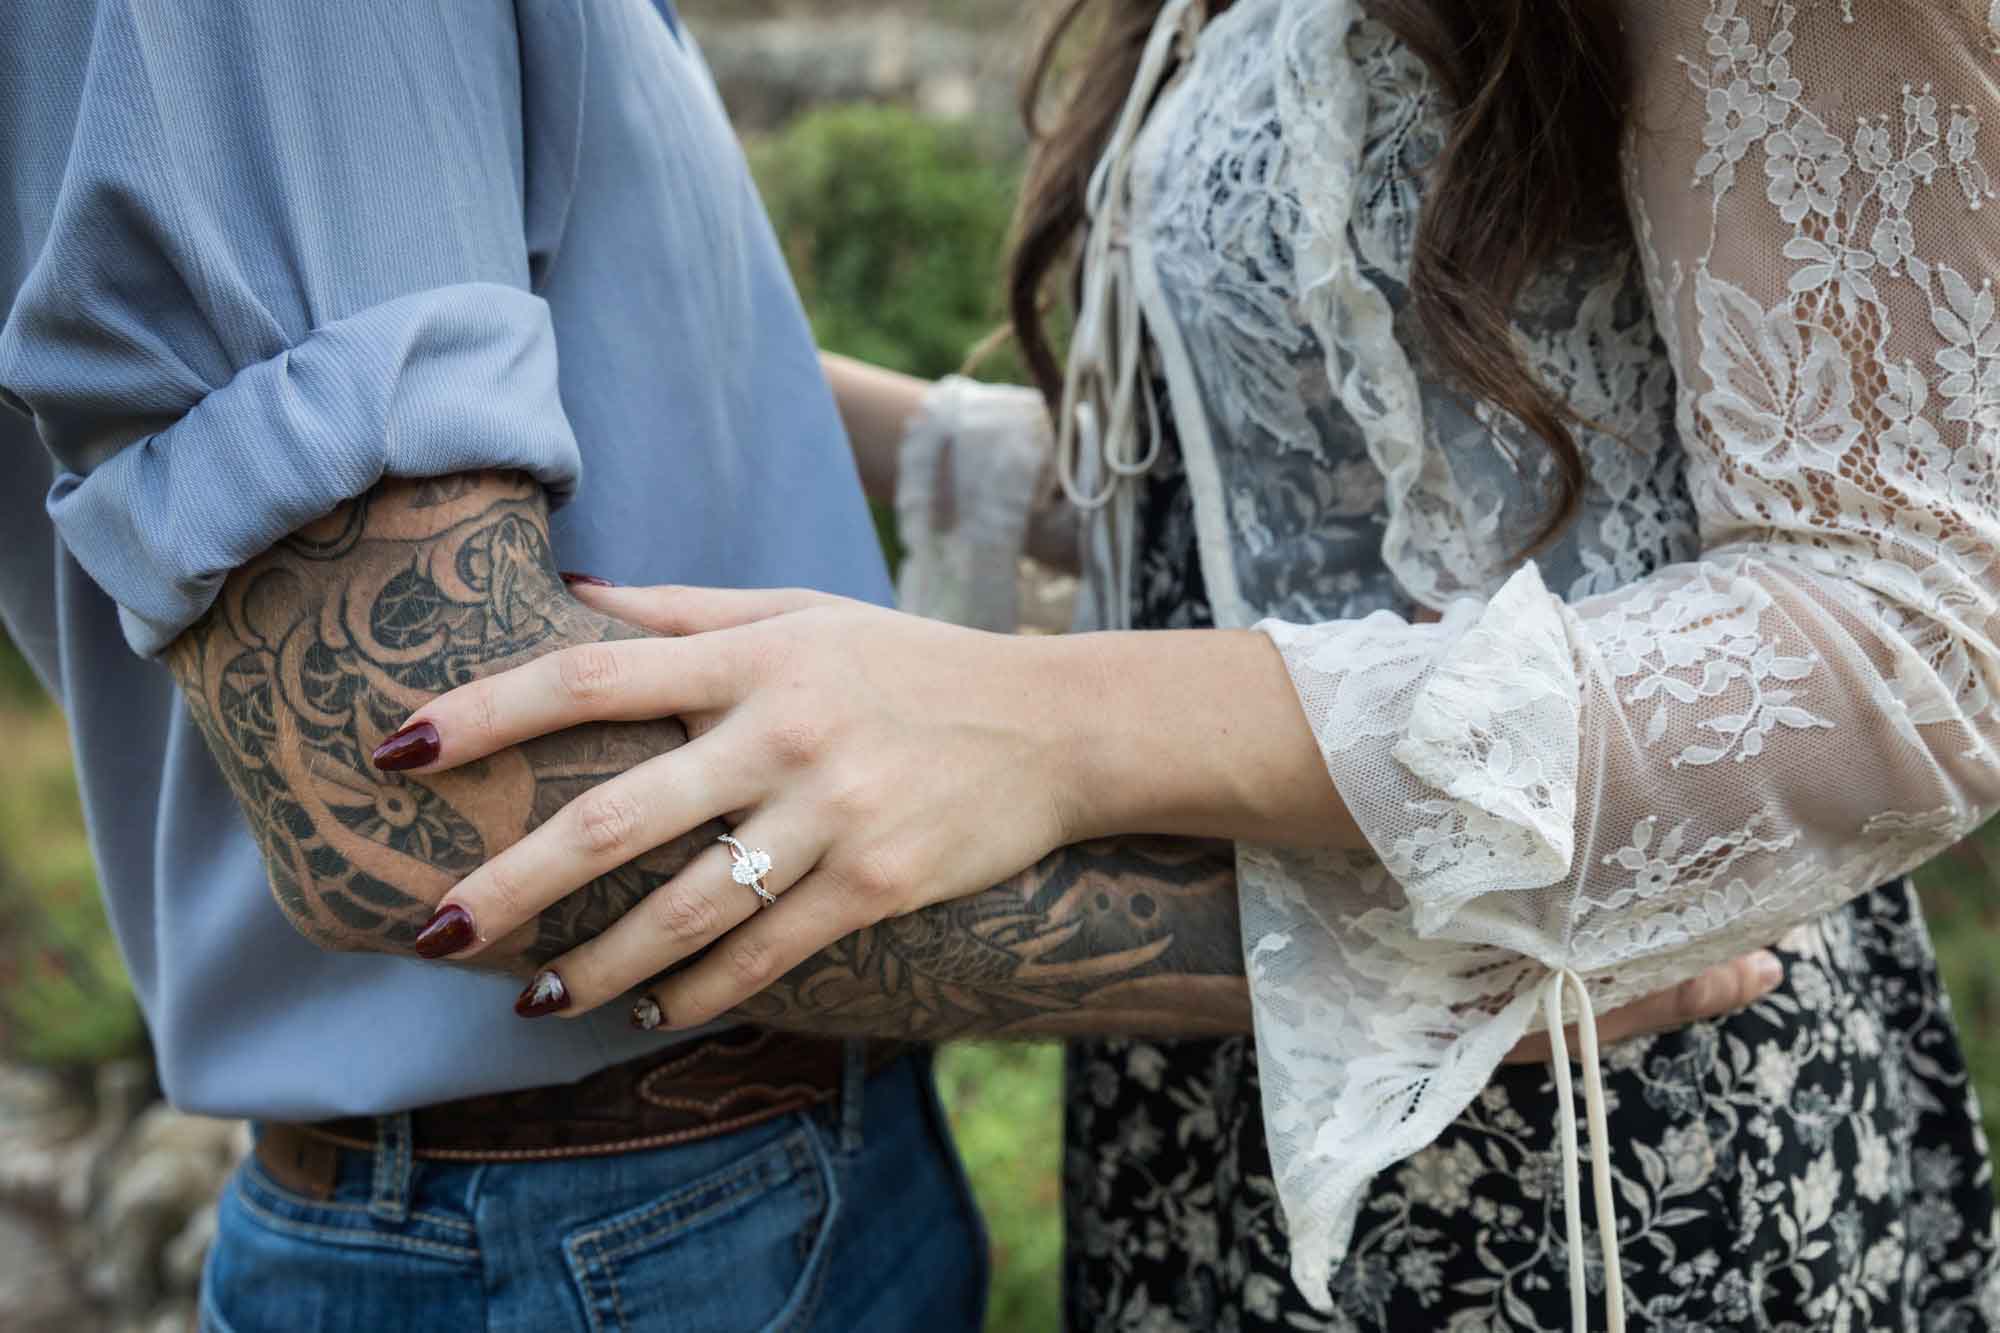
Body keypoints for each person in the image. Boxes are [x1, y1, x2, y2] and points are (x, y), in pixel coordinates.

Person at [383, 1, 2000, 1331]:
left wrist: (1048, 724)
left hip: (1594, 1115)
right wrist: (679, 362)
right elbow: (1257, 500)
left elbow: (1919, 618)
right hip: (1211, 1109)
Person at [0, 3, 995, 1329]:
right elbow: (423, 808)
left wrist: (1005, 467)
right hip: (593, 1228)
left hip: (723, 1177)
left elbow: (608, 322)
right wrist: (1286, 841)